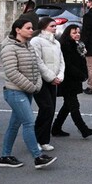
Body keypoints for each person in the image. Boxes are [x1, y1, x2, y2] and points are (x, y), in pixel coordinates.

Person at [0, 19, 57, 169]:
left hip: (27, 91)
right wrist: (32, 87)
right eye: (28, 28)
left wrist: (37, 85)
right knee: (29, 123)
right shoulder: (9, 48)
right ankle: (38, 157)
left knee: (14, 125)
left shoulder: (28, 46)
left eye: (32, 28)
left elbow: (36, 67)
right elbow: (12, 72)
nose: (31, 30)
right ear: (18, 30)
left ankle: (5, 156)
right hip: (14, 92)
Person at [51, 25, 92, 138]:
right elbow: (67, 64)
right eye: (74, 33)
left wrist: (84, 74)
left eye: (78, 32)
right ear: (68, 34)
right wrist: (80, 74)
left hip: (75, 79)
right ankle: (83, 129)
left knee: (68, 106)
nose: (77, 35)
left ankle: (56, 128)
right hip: (68, 80)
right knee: (74, 105)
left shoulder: (78, 45)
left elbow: (81, 62)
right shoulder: (65, 45)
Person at [30, 17, 64, 152]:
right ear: (44, 27)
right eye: (52, 26)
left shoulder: (56, 42)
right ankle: (35, 139)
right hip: (41, 80)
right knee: (46, 108)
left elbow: (61, 61)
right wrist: (50, 77)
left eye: (55, 26)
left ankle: (44, 140)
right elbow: (38, 62)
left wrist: (59, 76)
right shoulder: (36, 41)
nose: (55, 28)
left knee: (51, 110)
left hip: (53, 80)